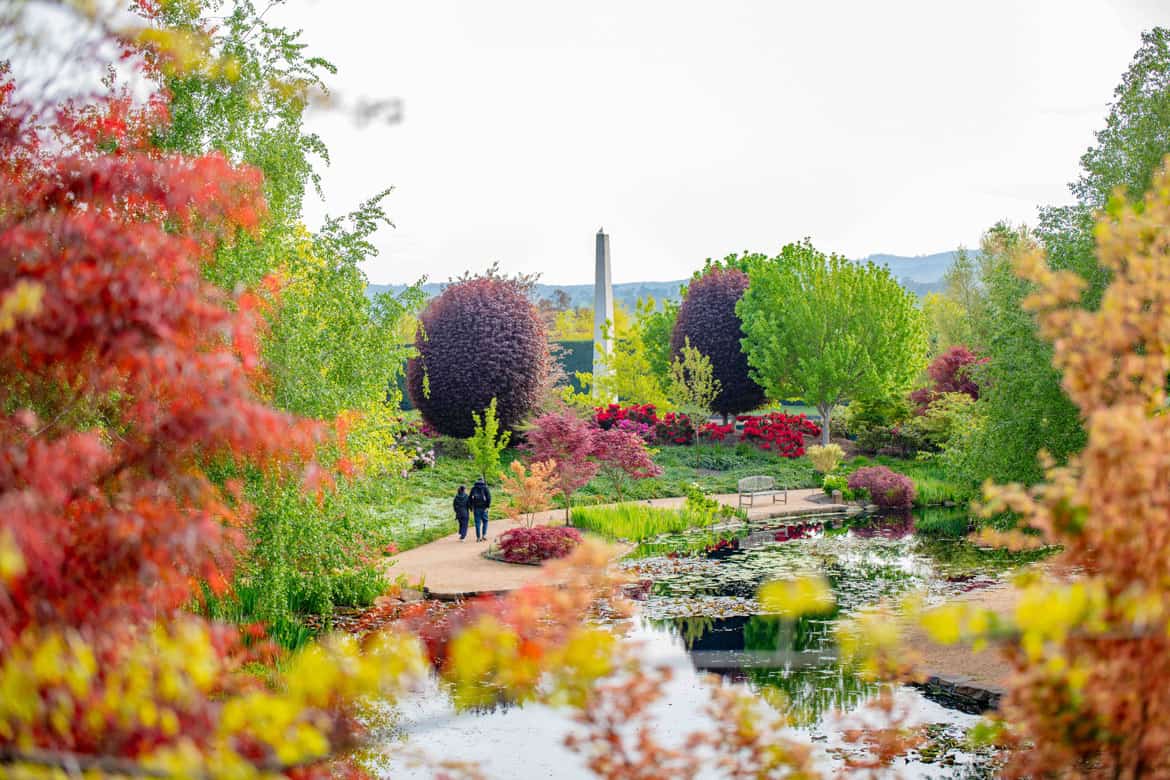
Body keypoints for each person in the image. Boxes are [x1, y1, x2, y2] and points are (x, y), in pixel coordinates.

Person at [469, 477, 491, 542]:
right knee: (485, 521)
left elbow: (470, 498)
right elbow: (489, 498)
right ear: (483, 481)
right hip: (484, 508)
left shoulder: (473, 488)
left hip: (476, 508)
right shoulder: (485, 488)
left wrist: (471, 508)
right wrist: (488, 506)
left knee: (477, 523)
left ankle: (478, 537)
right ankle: (484, 535)